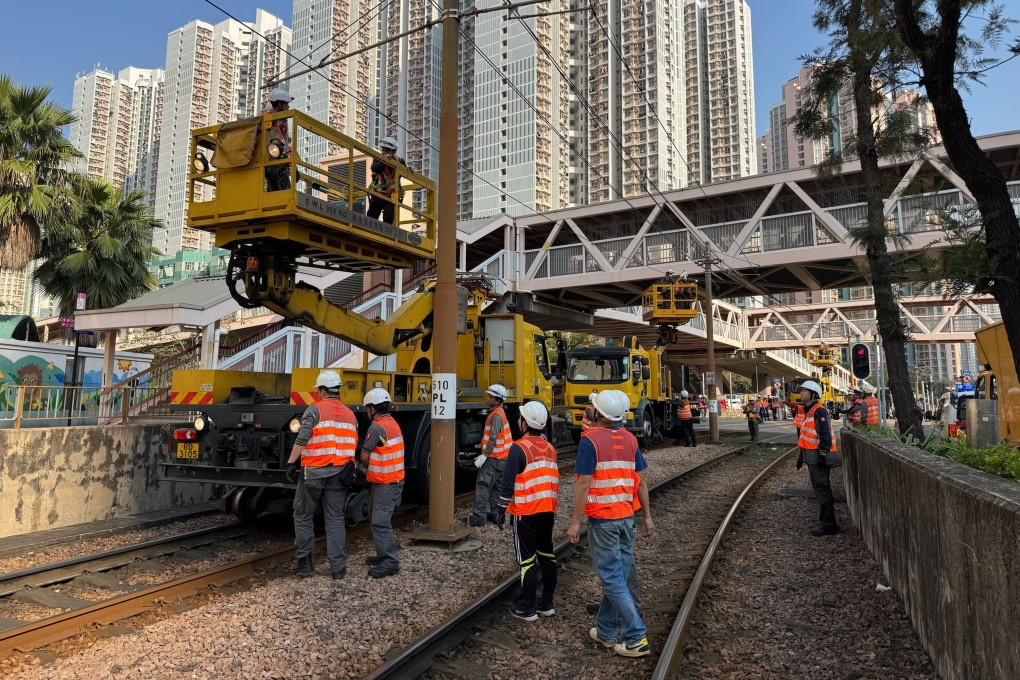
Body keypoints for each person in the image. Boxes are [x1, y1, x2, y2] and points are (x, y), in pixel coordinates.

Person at [568, 389, 653, 659]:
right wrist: (648, 517)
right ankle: (605, 631)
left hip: (603, 520)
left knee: (612, 579)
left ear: (599, 414)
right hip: (627, 519)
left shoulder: (589, 441)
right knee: (618, 578)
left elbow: (583, 483)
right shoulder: (630, 439)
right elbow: (641, 481)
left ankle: (636, 637)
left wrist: (574, 522)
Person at [286, 370, 358, 579]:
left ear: (323, 390)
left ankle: (305, 561)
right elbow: (353, 441)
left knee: (303, 514)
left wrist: (291, 462)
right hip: (339, 473)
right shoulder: (350, 414)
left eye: (319, 390)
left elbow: (303, 437)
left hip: (314, 472)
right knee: (335, 518)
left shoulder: (314, 410)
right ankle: (338, 568)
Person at [494, 401, 559, 621]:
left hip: (526, 513)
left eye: (520, 418)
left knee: (527, 561)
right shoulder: (549, 448)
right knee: (547, 556)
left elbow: (507, 482)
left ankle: (527, 607)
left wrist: (501, 509)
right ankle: (547, 603)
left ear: (524, 423)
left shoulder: (518, 448)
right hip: (547, 511)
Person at [360, 388, 404, 579]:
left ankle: (390, 562)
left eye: (367, 408)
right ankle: (382, 555)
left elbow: (364, 456)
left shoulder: (376, 427)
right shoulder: (391, 423)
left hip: (386, 481)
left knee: (380, 521)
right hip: (388, 480)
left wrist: (364, 467)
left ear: (372, 408)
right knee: (375, 517)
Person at [795, 380, 840, 537]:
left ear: (813, 394)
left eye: (804, 390)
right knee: (820, 489)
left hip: (819, 458)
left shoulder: (818, 410)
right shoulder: (809, 410)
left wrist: (822, 454)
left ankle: (829, 525)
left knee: (822, 490)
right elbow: (806, 436)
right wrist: (802, 456)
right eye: (801, 390)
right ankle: (827, 523)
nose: (801, 393)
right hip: (812, 458)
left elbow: (825, 436)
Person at [470, 384, 512, 527]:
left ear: (497, 399)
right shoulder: (500, 413)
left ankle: (478, 516)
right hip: (503, 458)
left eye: (490, 397)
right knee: (496, 488)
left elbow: (493, 438)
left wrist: (484, 455)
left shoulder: (496, 416)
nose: (488, 399)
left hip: (494, 457)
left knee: (483, 485)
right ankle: (496, 515)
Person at [366, 136, 407, 225]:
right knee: (371, 216)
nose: (384, 152)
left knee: (388, 218)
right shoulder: (378, 158)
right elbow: (374, 168)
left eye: (387, 150)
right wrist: (384, 161)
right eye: (383, 149)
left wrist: (410, 170)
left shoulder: (399, 161)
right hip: (378, 194)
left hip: (392, 196)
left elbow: (405, 172)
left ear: (393, 151)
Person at [262, 87, 294, 192]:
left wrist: (292, 165)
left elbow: (285, 145)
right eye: (286, 104)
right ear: (280, 104)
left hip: (278, 161)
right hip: (269, 161)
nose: (288, 107)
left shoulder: (282, 122)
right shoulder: (266, 118)